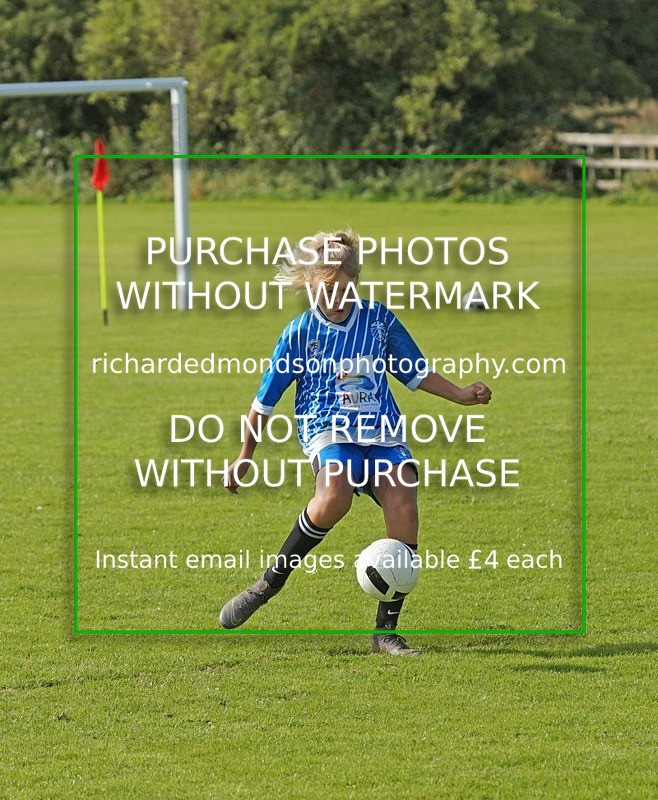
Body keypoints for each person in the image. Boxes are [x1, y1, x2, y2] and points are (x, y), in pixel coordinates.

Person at [220, 230, 492, 654]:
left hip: (381, 429)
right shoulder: (298, 334)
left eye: (345, 289)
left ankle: (386, 632)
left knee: (404, 505)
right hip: (328, 428)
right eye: (327, 290)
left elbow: (416, 371)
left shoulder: (378, 320)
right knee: (334, 496)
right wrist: (244, 457)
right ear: (310, 284)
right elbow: (263, 404)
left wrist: (460, 394)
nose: (336, 298)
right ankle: (268, 584)